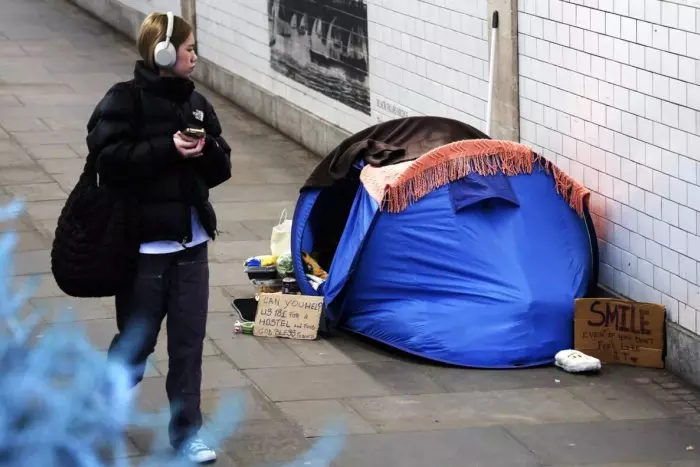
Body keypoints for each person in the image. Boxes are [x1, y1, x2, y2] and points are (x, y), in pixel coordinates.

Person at [85, 11, 232, 464]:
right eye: (188, 48)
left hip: (191, 248)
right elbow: (107, 159)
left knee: (187, 347)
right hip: (144, 252)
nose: (194, 56)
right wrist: (167, 147)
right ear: (164, 52)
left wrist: (204, 149)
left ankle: (188, 435)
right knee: (136, 343)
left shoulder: (197, 104)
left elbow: (223, 167)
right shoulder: (123, 100)